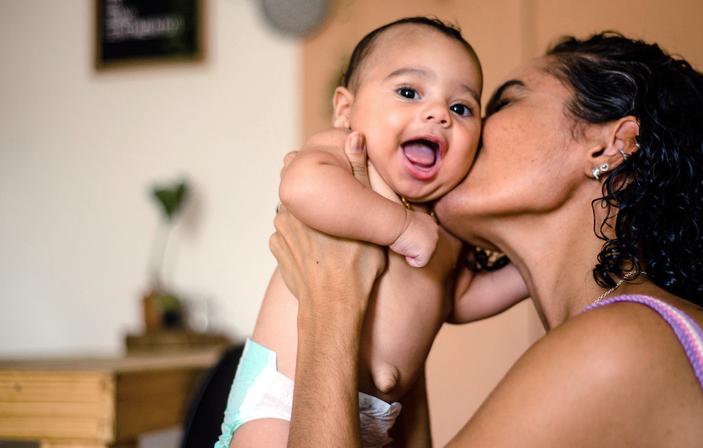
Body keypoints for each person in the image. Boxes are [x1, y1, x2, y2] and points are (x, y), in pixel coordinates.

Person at [269, 32, 703, 447]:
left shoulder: (622, 344)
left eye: (494, 105)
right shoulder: (642, 327)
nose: (463, 129)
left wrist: (332, 300)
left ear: (607, 148)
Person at [217, 17, 531, 448]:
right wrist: (400, 227)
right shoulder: (347, 160)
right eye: (408, 92)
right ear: (346, 110)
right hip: (283, 396)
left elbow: (456, 299)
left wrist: (526, 273)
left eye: (461, 108)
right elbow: (301, 187)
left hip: (374, 422)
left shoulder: (443, 227)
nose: (439, 113)